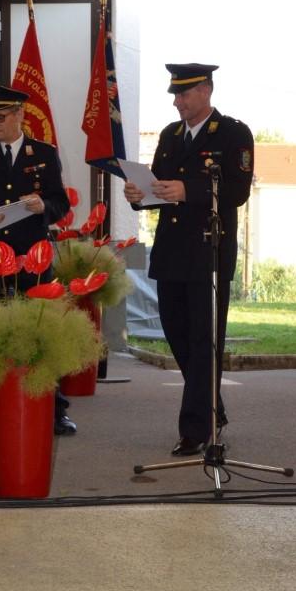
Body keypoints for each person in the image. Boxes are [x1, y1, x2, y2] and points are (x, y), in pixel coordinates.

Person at [124, 63, 254, 456]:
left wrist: (187, 190)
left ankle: (196, 428)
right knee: (177, 333)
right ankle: (213, 407)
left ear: (206, 90)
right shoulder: (170, 135)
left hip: (207, 253)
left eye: (183, 94)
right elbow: (159, 187)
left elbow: (237, 191)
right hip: (171, 252)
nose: (177, 102)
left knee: (204, 340)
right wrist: (140, 196)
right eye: (175, 95)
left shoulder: (233, 133)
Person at [0, 83, 76, 435]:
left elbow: (60, 202)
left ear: (20, 115)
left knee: (40, 330)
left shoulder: (44, 153)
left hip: (31, 258)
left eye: (1, 117)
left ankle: (53, 407)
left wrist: (42, 207)